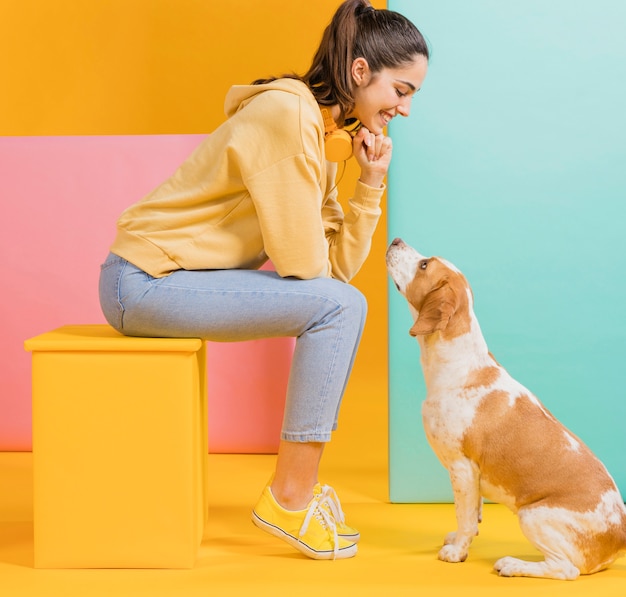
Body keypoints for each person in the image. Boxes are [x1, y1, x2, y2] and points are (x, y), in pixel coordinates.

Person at [99, 0, 429, 560]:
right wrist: (327, 266)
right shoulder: (286, 115)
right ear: (359, 73)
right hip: (143, 280)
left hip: (174, 281)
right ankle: (291, 498)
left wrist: (369, 182)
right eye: (401, 90)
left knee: (341, 301)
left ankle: (293, 494)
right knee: (342, 307)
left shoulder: (322, 135)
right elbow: (307, 267)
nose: (405, 108)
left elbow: (336, 272)